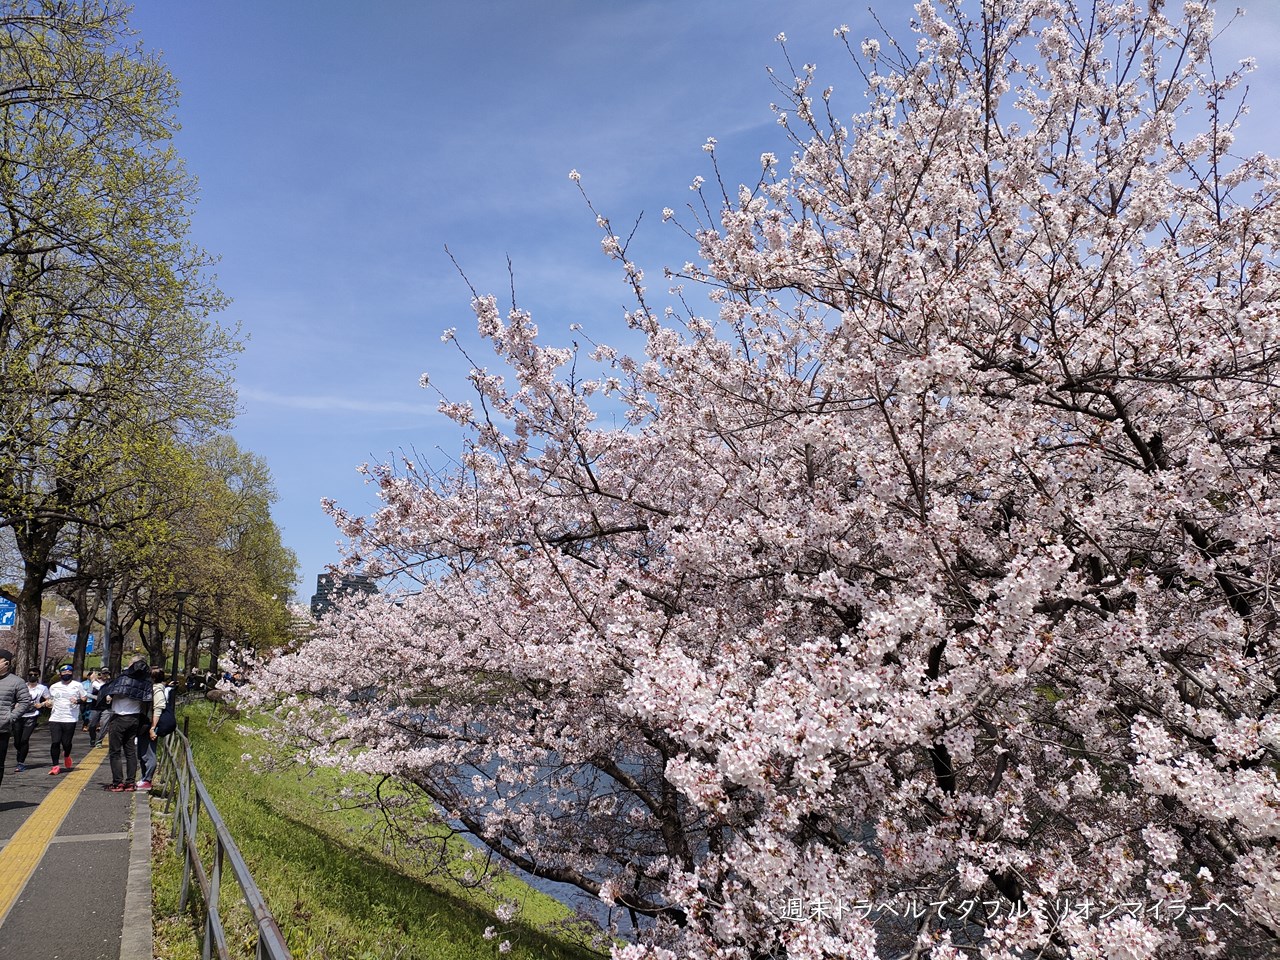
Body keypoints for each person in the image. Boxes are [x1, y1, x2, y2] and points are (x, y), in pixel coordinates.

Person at [97, 658, 151, 792]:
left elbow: (107, 690)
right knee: (130, 751)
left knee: (115, 751)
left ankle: (118, 782)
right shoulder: (145, 682)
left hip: (119, 717)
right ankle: (130, 782)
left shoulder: (123, 678)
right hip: (135, 718)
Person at [0, 649, 33, 789]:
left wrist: (10, 717)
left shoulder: (16, 682)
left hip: (1, 729)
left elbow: (25, 701)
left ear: (6, 663)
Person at [46, 664, 85, 774]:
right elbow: (51, 700)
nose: (66, 674)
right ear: (60, 674)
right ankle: (55, 766)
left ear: (72, 673)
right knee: (55, 742)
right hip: (55, 717)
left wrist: (77, 701)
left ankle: (67, 755)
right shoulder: (54, 686)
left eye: (69, 672)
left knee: (66, 743)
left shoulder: (78, 685)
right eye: (64, 672)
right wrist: (48, 703)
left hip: (70, 718)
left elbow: (84, 698)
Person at [137, 666, 169, 790]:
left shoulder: (157, 690)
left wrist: (153, 727)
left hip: (150, 725)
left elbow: (158, 710)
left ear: (153, 677)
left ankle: (148, 779)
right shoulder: (151, 689)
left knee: (149, 753)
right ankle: (144, 778)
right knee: (142, 752)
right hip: (145, 724)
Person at [13, 668, 47, 772]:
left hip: (32, 715)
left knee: (24, 739)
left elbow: (49, 700)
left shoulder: (42, 688)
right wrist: (15, 705)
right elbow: (13, 697)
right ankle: (21, 752)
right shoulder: (22, 686)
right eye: (30, 674)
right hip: (19, 715)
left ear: (38, 676)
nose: (32, 676)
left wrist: (41, 704)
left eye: (35, 674)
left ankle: (21, 762)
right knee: (17, 741)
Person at [86, 669, 109, 747]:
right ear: (100, 674)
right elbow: (88, 694)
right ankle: (93, 738)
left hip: (106, 707)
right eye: (104, 673)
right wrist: (95, 697)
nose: (105, 675)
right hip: (95, 707)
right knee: (92, 725)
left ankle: (99, 741)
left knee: (104, 725)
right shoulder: (94, 683)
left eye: (107, 674)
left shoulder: (110, 683)